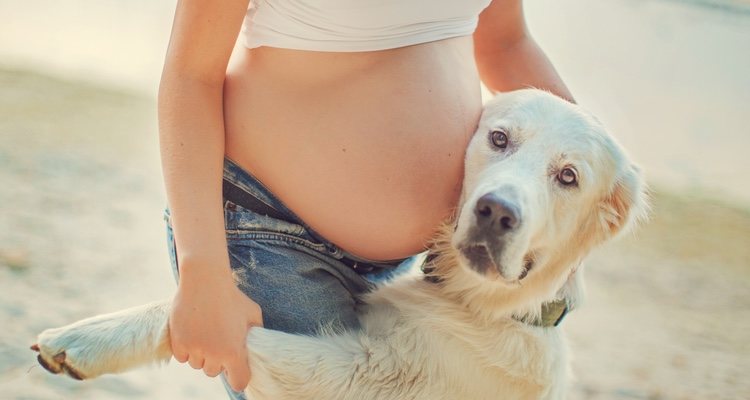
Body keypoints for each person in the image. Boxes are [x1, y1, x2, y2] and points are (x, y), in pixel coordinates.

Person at [158, 0, 573, 398]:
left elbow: (505, 43)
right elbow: (192, 75)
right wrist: (203, 272)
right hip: (269, 236)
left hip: (417, 271)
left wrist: (591, 172)